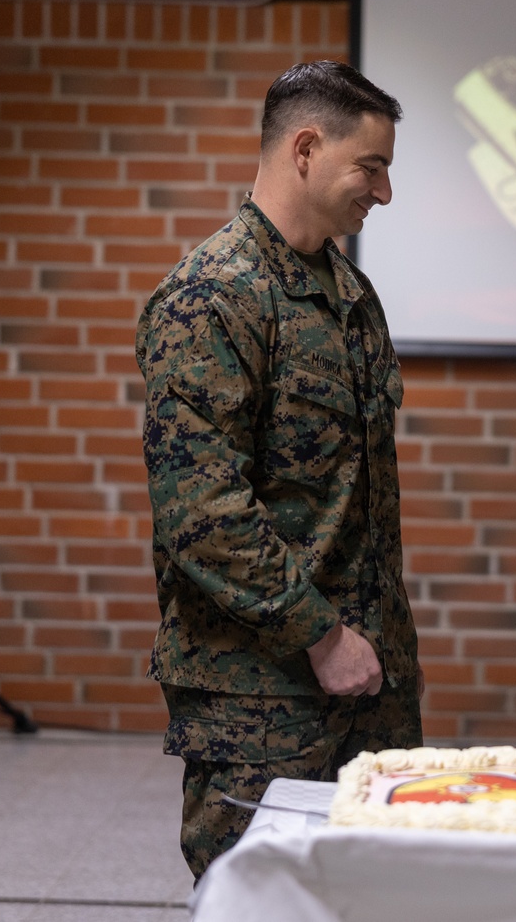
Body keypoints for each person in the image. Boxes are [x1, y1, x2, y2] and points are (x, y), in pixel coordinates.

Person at [135, 60, 423, 882]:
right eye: (372, 168)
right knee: (262, 901)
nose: (384, 193)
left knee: (382, 895)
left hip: (371, 682)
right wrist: (322, 635)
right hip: (262, 695)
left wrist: (368, 652)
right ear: (305, 148)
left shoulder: (349, 294)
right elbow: (204, 515)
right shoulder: (210, 297)